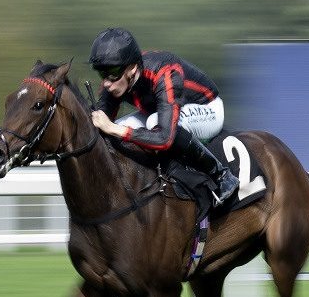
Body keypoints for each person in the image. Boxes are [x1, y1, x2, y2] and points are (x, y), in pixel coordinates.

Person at [88, 28, 238, 209]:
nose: (106, 83)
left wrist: (114, 129)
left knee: (148, 124)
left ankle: (221, 175)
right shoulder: (118, 78)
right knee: (120, 126)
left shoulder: (164, 71)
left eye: (112, 72)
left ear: (132, 68)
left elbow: (165, 138)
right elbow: (102, 121)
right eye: (102, 73)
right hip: (160, 110)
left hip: (208, 108)